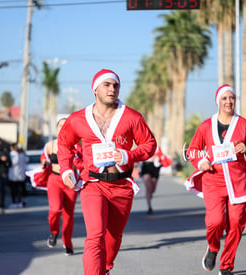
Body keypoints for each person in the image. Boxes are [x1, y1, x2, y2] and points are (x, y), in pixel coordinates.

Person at [57, 69, 157, 275]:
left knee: (113, 240)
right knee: (95, 236)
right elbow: (64, 144)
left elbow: (150, 144)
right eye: (107, 85)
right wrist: (66, 170)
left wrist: (129, 155)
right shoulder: (77, 119)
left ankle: (105, 268)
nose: (112, 89)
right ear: (95, 89)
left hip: (122, 186)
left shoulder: (131, 116)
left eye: (116, 85)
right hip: (93, 184)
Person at [185, 84, 246, 275]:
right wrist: (201, 162)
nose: (229, 101)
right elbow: (192, 150)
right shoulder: (205, 126)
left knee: (236, 223)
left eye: (232, 98)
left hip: (237, 182)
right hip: (213, 180)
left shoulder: (244, 125)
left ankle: (226, 266)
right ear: (218, 101)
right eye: (225, 98)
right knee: (215, 222)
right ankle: (212, 247)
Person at [42, 118, 81, 256]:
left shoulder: (76, 146)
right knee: (55, 209)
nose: (63, 127)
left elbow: (82, 163)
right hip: (55, 180)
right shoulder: (50, 145)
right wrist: (44, 164)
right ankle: (54, 232)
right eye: (60, 125)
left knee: (69, 215)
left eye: (66, 125)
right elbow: (43, 158)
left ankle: (68, 243)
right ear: (57, 128)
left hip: (70, 181)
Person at [140, 147, 162, 215]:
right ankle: (149, 206)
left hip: (156, 167)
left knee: (152, 190)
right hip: (146, 166)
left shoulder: (157, 145)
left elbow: (161, 154)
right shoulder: (143, 144)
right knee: (148, 188)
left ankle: (149, 198)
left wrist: (156, 156)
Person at [8, 143, 28, 208]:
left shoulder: (13, 154)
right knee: (20, 189)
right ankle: (21, 202)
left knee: (15, 189)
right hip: (20, 174)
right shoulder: (22, 154)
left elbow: (13, 163)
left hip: (15, 174)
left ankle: (16, 202)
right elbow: (27, 160)